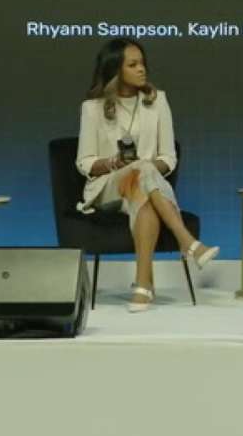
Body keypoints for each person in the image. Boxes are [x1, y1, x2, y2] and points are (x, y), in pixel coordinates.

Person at [75, 37, 218, 312]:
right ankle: (187, 242)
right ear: (115, 70)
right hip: (107, 188)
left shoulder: (158, 102)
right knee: (141, 168)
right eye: (133, 64)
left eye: (142, 63)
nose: (142, 69)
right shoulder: (92, 108)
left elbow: (168, 157)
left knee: (143, 181)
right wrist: (115, 163)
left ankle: (143, 285)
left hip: (143, 188)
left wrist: (146, 169)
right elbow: (85, 163)